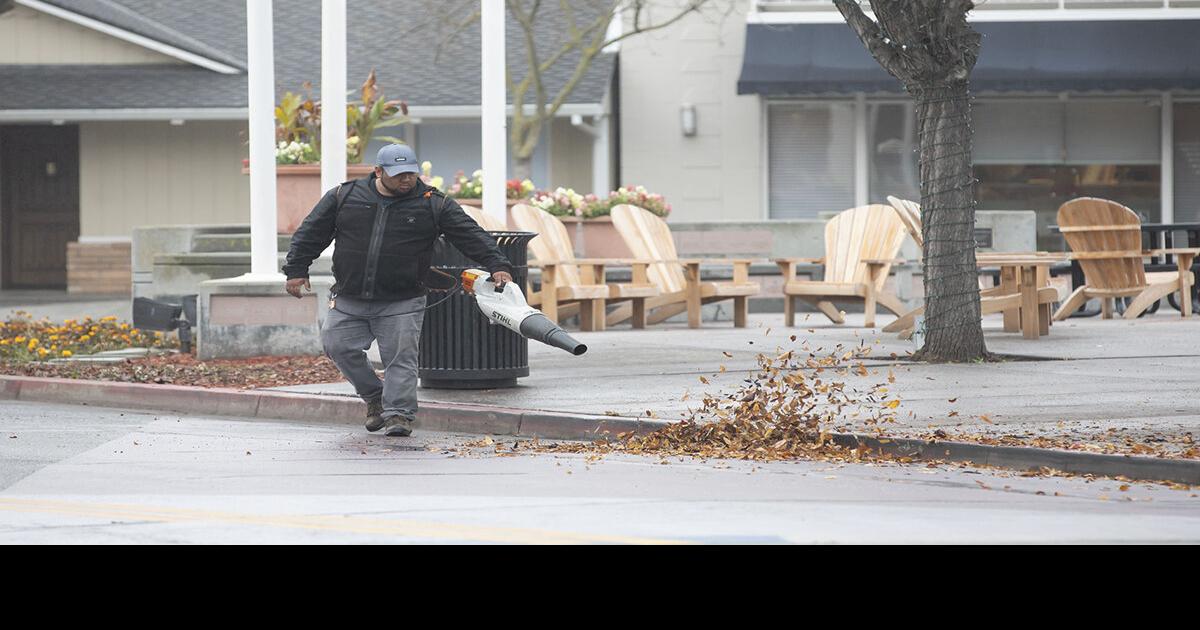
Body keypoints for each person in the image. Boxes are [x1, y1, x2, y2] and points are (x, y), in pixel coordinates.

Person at [283, 144, 514, 437]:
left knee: (400, 358)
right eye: (399, 175)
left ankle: (399, 415)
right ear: (378, 172)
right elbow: (311, 232)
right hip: (349, 296)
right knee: (336, 345)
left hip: (403, 298)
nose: (406, 180)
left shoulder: (434, 203)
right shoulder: (346, 196)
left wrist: (497, 263)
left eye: (411, 174)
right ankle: (374, 396)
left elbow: (469, 235)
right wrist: (296, 270)